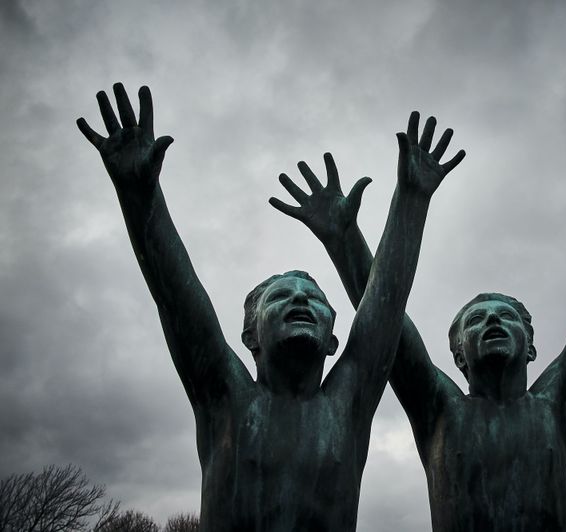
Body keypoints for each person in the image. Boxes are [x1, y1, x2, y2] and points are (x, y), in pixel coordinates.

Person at [76, 84, 465, 531]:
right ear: (250, 336)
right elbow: (176, 295)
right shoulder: (225, 395)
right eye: (281, 297)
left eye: (315, 300)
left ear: (334, 339)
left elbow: (386, 302)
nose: (300, 299)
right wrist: (139, 196)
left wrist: (411, 201)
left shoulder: (348, 403)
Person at [274, 134, 566, 531]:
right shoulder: (439, 408)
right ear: (459, 356)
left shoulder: (553, 405)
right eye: (475, 320)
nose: (492, 321)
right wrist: (344, 239)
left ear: (531, 347)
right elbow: (385, 314)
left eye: (505, 316)